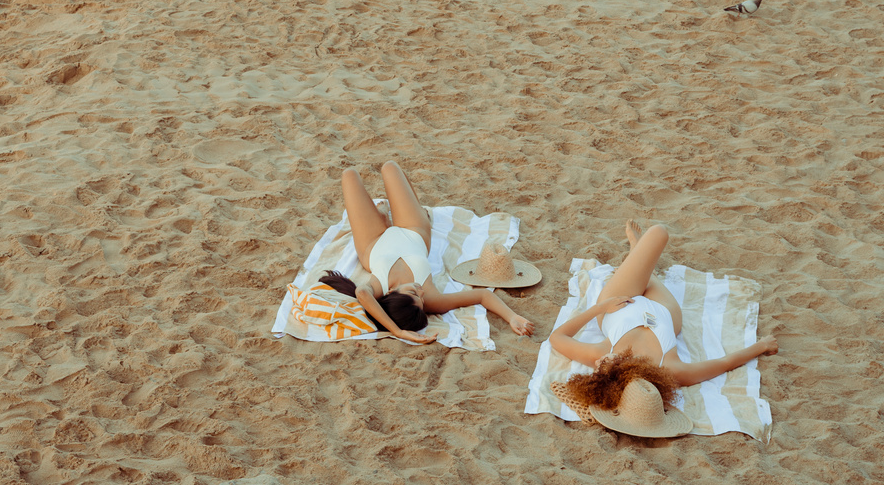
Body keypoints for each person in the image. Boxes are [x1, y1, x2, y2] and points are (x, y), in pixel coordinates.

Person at [549, 221, 779, 415]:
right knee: (657, 237)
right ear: (622, 371)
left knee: (649, 254)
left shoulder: (599, 354)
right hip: (664, 313)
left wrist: (599, 308)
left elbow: (557, 337)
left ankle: (636, 251)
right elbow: (723, 364)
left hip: (618, 301)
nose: (596, 365)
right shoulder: (671, 370)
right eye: (602, 369)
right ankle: (638, 254)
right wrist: (761, 347)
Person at [321, 161, 534, 344]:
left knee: (349, 175)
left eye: (414, 294)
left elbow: (361, 294)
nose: (421, 292)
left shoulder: (377, 288)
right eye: (421, 299)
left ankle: (384, 218)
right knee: (390, 168)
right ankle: (410, 213)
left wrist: (396, 331)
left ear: (391, 294)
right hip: (413, 230)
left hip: (373, 243)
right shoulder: (431, 298)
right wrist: (512, 317)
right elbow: (482, 295)